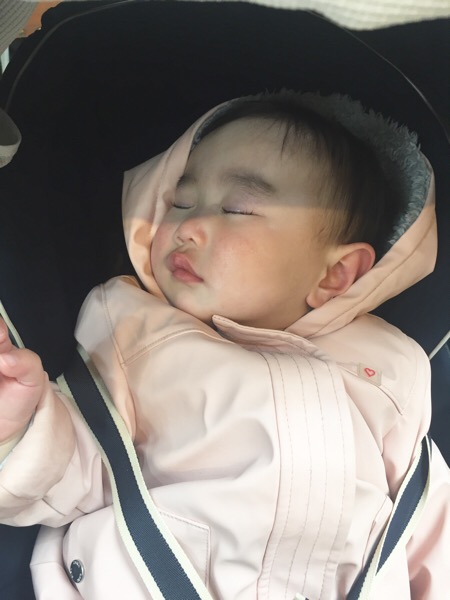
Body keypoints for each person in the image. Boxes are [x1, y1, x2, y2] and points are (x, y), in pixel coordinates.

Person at [0, 91, 448, 599]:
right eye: (180, 202)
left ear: (335, 274)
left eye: (237, 208)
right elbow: (78, 464)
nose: (187, 227)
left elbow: (425, 512)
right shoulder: (135, 335)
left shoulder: (389, 365)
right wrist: (18, 428)